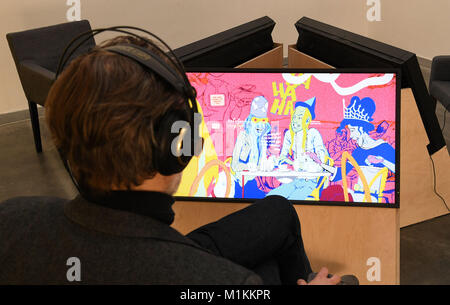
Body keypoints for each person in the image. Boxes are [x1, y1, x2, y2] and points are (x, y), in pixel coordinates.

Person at [0, 34, 342, 285]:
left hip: (123, 246)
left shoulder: (12, 217)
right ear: (176, 143)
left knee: (277, 211)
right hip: (166, 263)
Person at [268, 97, 329, 200]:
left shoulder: (313, 134)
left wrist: (296, 164)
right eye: (294, 116)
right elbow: (283, 156)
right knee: (270, 197)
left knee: (291, 202)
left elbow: (322, 162)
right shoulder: (289, 135)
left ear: (307, 120)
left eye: (300, 117)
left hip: (309, 182)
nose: (295, 120)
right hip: (294, 181)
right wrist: (275, 160)